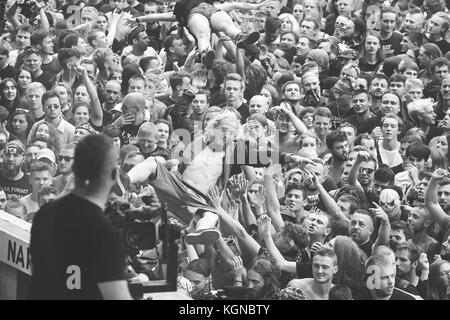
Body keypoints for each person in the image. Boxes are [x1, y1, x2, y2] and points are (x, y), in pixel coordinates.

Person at [30, 134, 132, 300]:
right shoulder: (105, 233)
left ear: (75, 169)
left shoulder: (45, 213)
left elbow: (37, 269)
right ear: (113, 176)